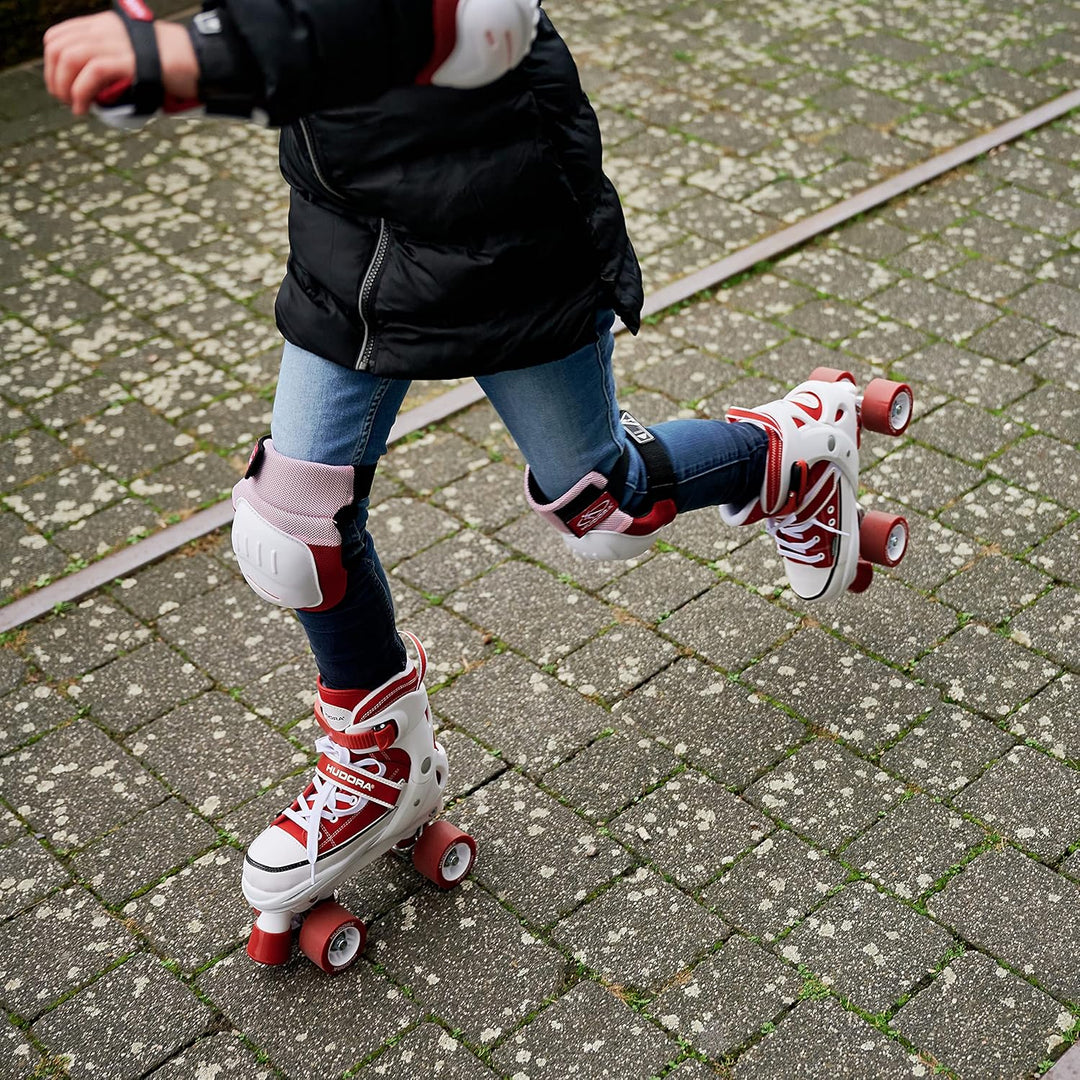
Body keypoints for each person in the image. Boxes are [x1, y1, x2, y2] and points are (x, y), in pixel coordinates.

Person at [43, 0, 907, 972]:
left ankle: (791, 451)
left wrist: (193, 54)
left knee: (604, 509)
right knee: (290, 531)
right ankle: (382, 767)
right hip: (353, 236)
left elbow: (459, 20)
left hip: (496, 229)